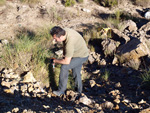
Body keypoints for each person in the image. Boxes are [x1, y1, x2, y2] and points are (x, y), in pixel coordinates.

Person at [50, 26, 89, 96]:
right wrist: (64, 53)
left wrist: (55, 61)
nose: (54, 41)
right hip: (79, 52)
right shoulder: (64, 31)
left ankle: (61, 90)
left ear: (60, 37)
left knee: (64, 67)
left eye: (55, 39)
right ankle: (79, 92)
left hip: (81, 56)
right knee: (76, 72)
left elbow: (66, 62)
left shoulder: (70, 42)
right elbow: (64, 42)